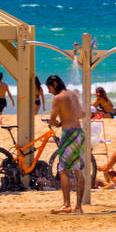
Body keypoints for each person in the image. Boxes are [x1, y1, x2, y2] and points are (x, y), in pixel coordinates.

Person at [46, 74, 86, 213]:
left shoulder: (58, 98)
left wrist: (56, 123)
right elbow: (81, 114)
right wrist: (67, 118)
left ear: (54, 84)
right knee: (78, 170)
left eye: (49, 87)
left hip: (68, 134)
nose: (49, 91)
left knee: (63, 169)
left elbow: (52, 120)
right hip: (79, 133)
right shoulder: (73, 94)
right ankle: (78, 207)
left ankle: (66, 204)